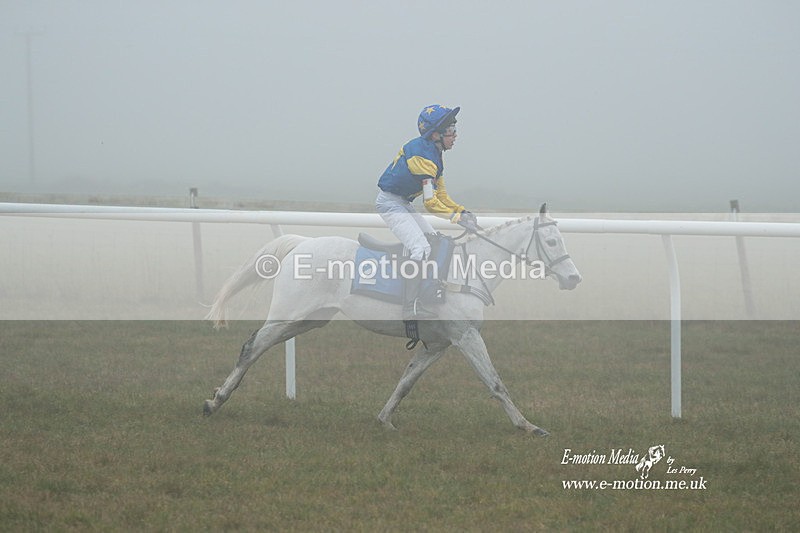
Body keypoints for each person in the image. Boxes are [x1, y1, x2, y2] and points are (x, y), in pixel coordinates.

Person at [376, 104, 479, 319]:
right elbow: (431, 203)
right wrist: (456, 218)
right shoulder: (423, 157)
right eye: (451, 131)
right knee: (420, 249)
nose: (455, 136)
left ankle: (428, 290)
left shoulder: (435, 154)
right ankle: (410, 306)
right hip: (390, 203)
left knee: (433, 239)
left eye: (455, 130)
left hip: (403, 203)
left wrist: (461, 210)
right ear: (435, 135)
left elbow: (442, 195)